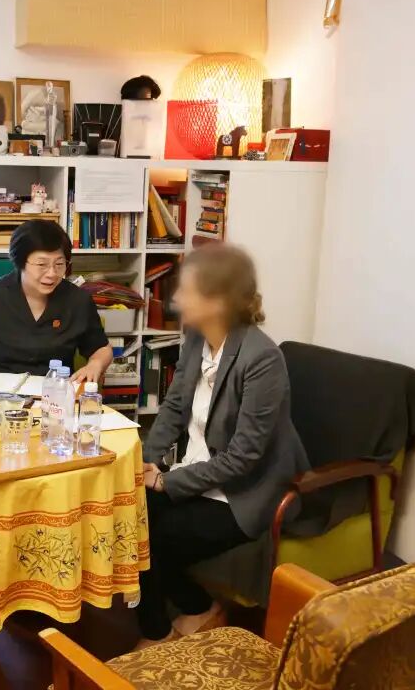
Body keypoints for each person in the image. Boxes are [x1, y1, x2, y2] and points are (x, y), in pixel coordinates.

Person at [136, 244, 309, 647]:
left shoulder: (262, 359)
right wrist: (144, 462)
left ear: (217, 302)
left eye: (186, 291)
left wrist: (164, 482)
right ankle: (195, 608)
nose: (175, 300)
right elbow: (175, 406)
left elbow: (243, 458)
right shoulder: (198, 338)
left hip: (242, 493)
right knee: (127, 515)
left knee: (156, 535)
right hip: (198, 473)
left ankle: (158, 634)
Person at [0, 219, 111, 381]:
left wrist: (96, 364)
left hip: (54, 390)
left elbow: (101, 348)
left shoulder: (78, 301)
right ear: (21, 262)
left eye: (59, 264)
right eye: (42, 264)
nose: (52, 273)